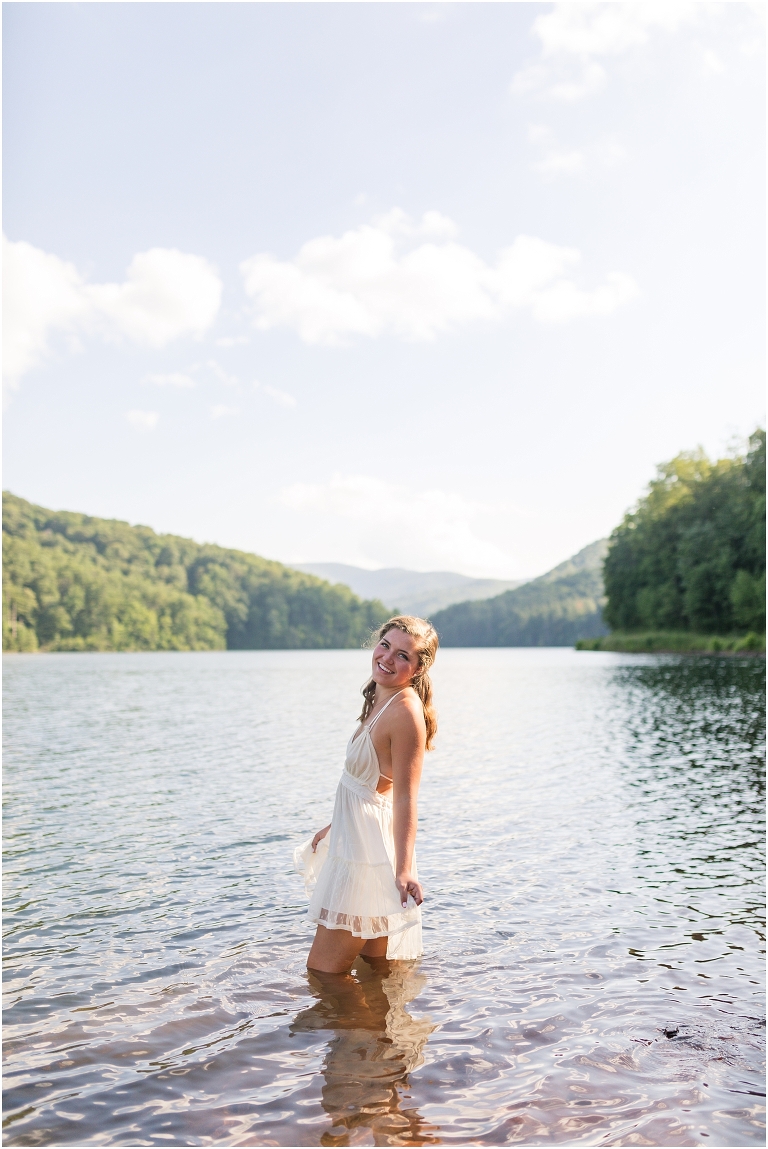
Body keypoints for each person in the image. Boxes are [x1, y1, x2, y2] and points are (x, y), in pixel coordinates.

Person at [294, 616, 438, 974]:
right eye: (385, 645)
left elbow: (405, 797)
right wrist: (334, 826)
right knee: (377, 971)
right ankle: (376, 1029)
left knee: (323, 973)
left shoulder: (405, 713)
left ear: (418, 669)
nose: (388, 658)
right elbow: (371, 787)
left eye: (403, 656)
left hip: (367, 858)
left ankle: (352, 1028)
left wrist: (404, 870)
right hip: (357, 841)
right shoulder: (381, 698)